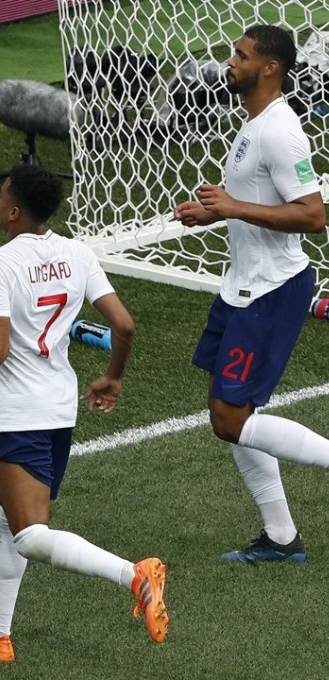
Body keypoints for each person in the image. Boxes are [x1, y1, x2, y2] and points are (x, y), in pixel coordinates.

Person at [0, 164, 168, 662]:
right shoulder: (76, 252)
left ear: (15, 210)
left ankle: (134, 574)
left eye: (1, 193)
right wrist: (114, 377)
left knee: (28, 535)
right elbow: (124, 326)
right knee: (7, 521)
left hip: (20, 413)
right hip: (59, 409)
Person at [175, 25, 328, 563]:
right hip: (242, 286)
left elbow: (314, 215)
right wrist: (211, 212)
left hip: (271, 290)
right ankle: (282, 537)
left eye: (240, 56)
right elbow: (248, 203)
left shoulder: (279, 132)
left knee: (230, 417)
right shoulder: (252, 123)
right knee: (233, 413)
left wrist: (233, 208)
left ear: (270, 68)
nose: (229, 62)